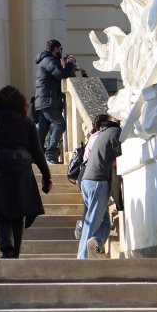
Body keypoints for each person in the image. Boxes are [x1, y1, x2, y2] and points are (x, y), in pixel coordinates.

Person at [0, 85, 52, 258]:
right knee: (19, 211)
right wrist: (46, 176)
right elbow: (37, 152)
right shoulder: (27, 122)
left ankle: (6, 247)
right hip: (21, 166)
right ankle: (15, 252)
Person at [76, 112, 122, 258]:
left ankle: (94, 244)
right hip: (98, 182)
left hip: (86, 181)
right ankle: (82, 260)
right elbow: (120, 155)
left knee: (105, 224)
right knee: (92, 224)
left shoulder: (102, 133)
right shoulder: (116, 133)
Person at [33, 40, 77, 163]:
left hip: (44, 101)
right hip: (48, 101)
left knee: (42, 131)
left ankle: (36, 156)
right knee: (60, 125)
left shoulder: (45, 61)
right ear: (56, 48)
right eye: (60, 49)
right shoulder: (49, 60)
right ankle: (50, 154)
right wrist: (69, 64)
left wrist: (65, 65)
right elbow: (61, 75)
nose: (61, 51)